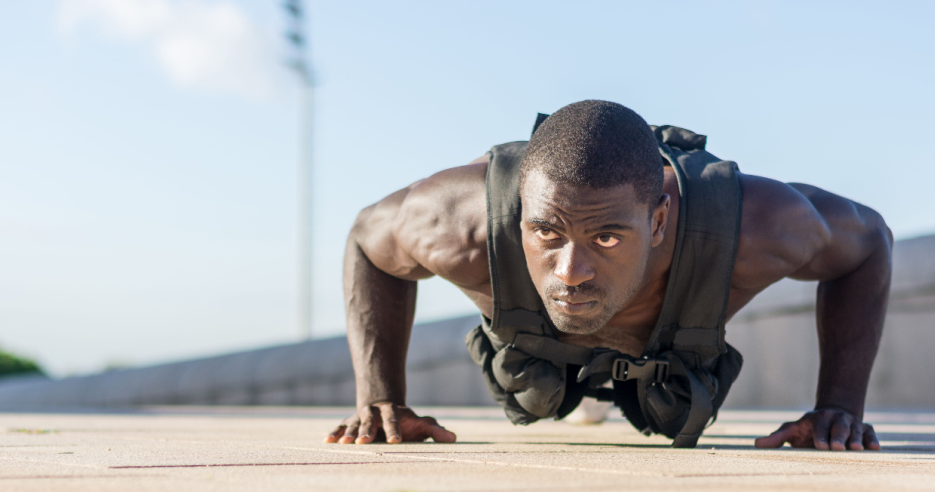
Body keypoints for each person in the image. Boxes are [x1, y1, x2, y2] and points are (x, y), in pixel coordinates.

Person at [326, 100, 891, 451]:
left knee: (672, 410)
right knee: (539, 394)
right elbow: (366, 242)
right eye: (547, 232)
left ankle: (617, 387)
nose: (570, 272)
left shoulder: (758, 225)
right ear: (520, 211)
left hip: (669, 354)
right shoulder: (456, 222)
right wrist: (381, 396)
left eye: (606, 237)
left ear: (660, 219)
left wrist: (838, 407)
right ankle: (580, 388)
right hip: (536, 351)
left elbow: (869, 242)